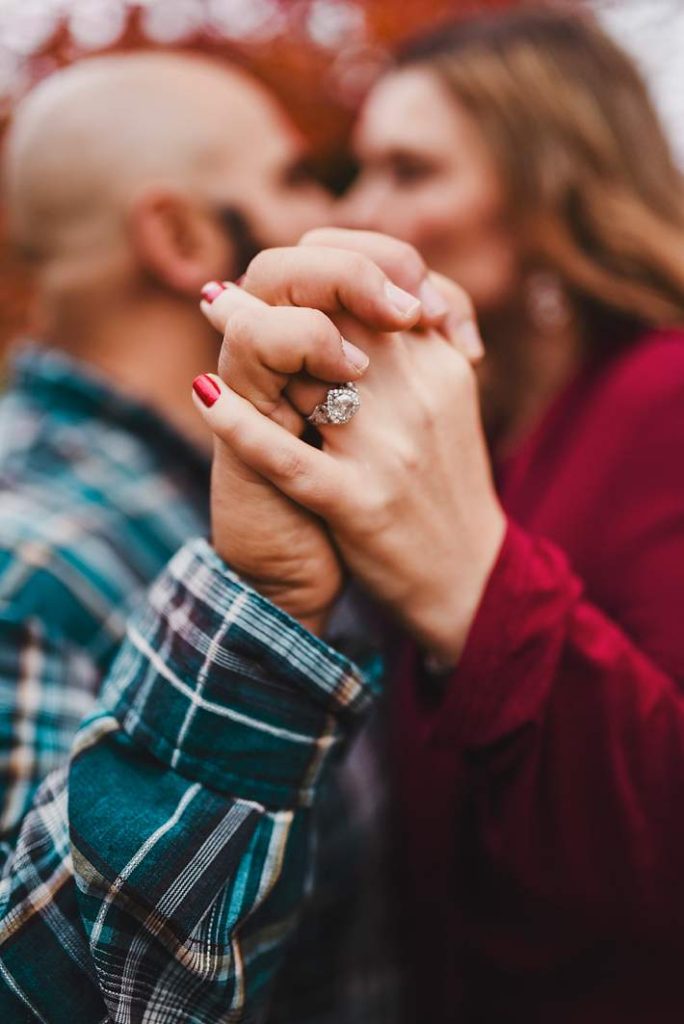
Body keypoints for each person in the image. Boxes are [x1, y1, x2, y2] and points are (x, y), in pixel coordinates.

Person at [188, 8, 684, 1024]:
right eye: (360, 168)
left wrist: (479, 593)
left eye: (411, 171)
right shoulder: (490, 433)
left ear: (554, 186)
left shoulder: (665, 398)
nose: (362, 207)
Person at [0, 49, 456, 1021]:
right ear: (181, 234)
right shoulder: (27, 556)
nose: (353, 220)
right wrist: (257, 607)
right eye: (295, 178)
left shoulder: (245, 471)